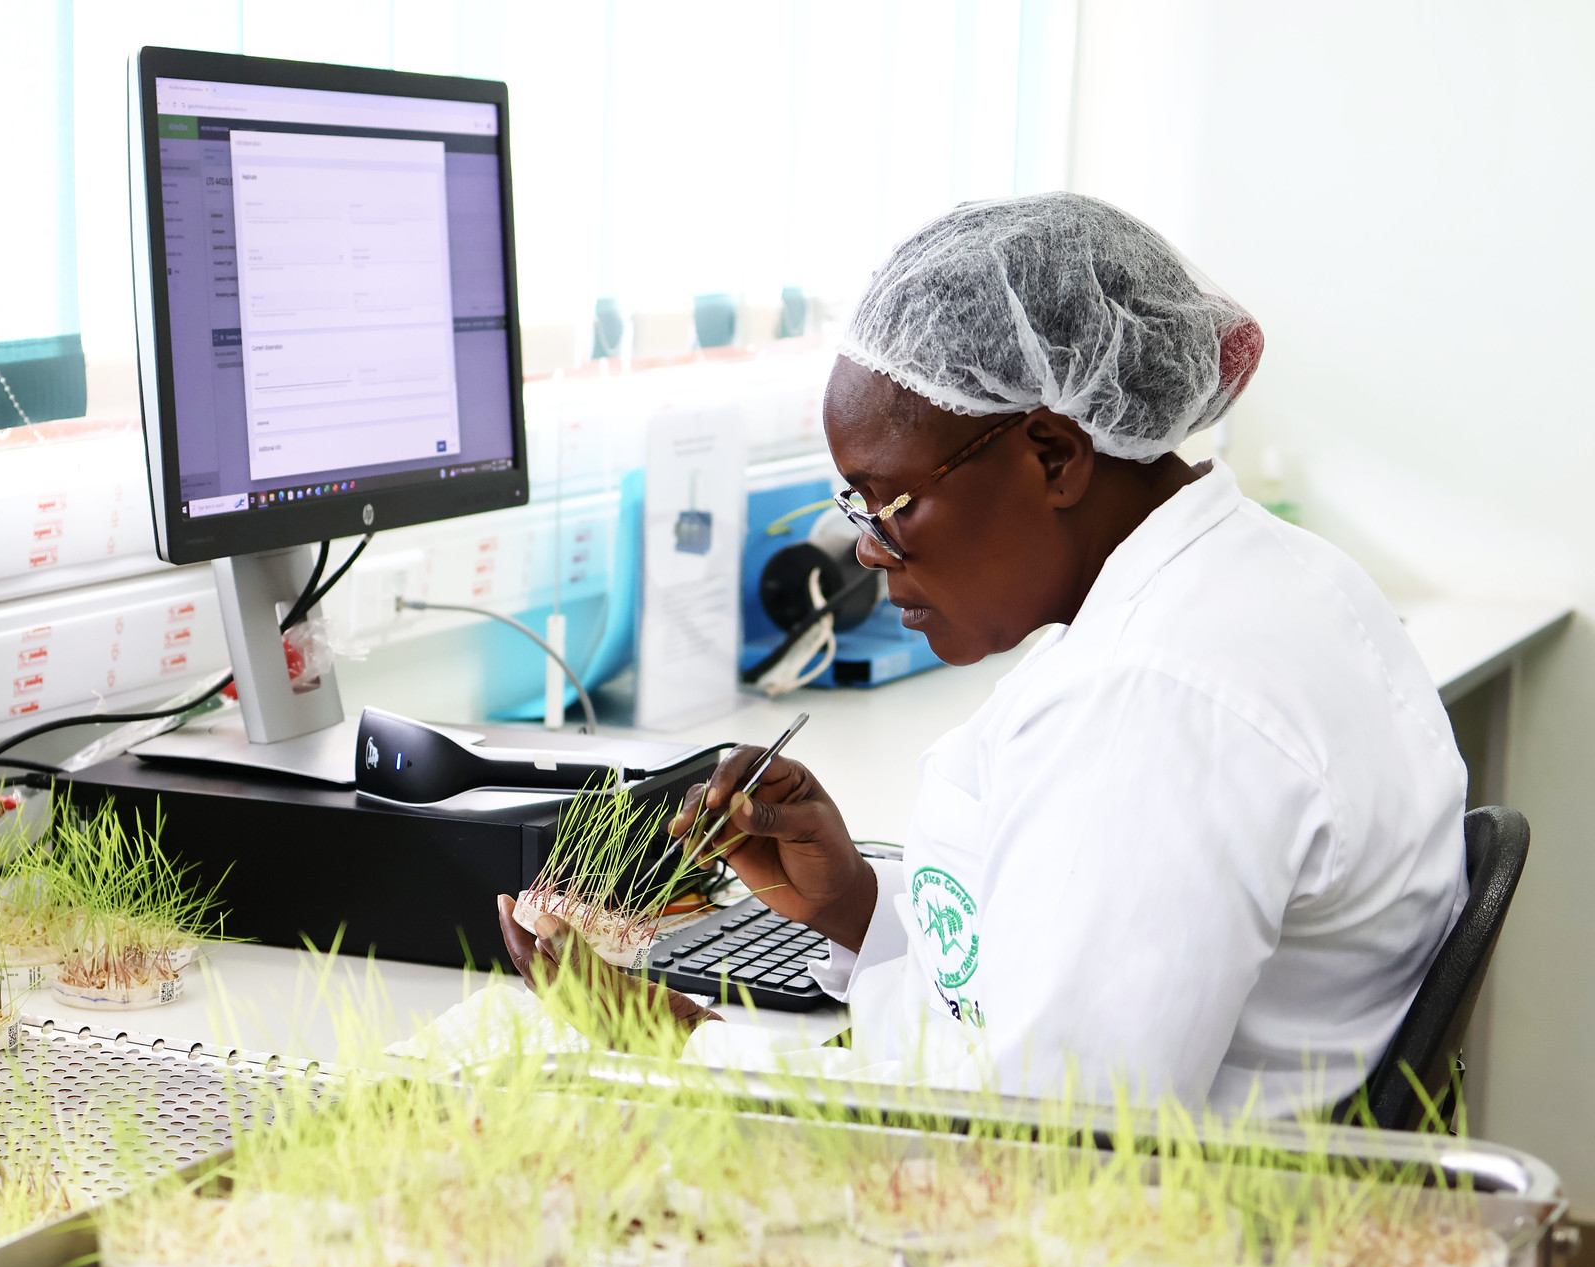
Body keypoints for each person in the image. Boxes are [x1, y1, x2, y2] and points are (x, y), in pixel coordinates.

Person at [499, 192, 1468, 1116]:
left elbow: (1034, 1137)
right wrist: (858, 905)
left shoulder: (1153, 701)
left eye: (888, 501)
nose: (866, 549)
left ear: (1053, 455)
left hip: (1143, 1218)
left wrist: (678, 1044)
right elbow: (1064, 976)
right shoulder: (1259, 574)